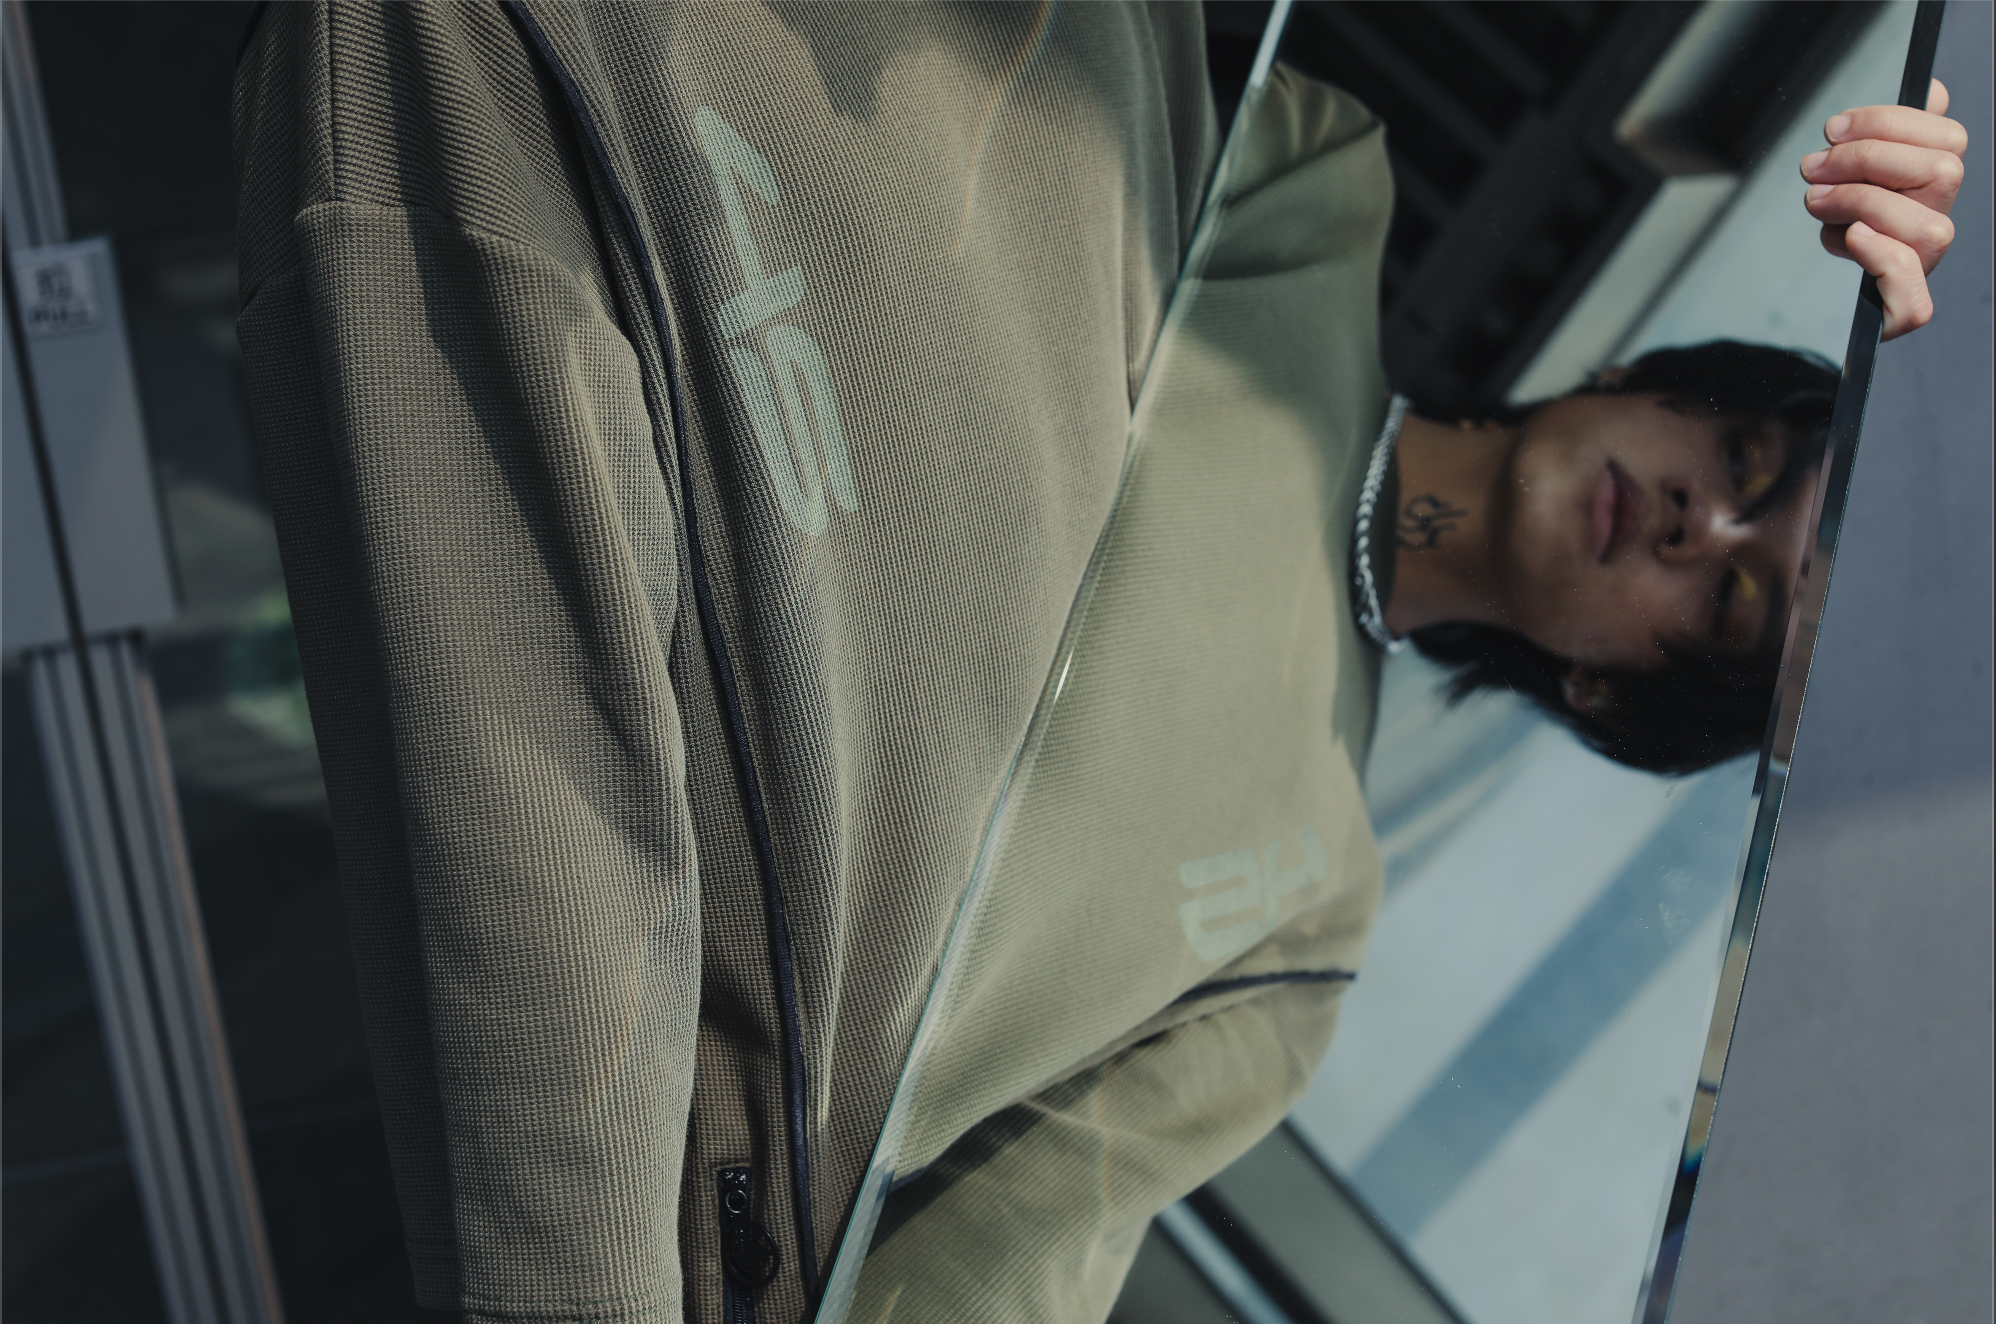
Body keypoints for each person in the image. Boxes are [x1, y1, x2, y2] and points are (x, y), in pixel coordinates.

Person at [230, 8, 1964, 1322]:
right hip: (589, 154)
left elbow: (997, 1272)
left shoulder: (1302, 921)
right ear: (1663, 384)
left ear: (1612, 693)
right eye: (1744, 462)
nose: (1701, 529)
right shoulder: (1305, 188)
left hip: (648, 981)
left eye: (1729, 611)